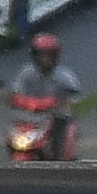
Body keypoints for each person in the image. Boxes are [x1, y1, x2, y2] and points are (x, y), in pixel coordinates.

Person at [10, 28, 82, 160]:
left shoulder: (65, 77)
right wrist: (14, 100)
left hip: (55, 119)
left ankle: (59, 160)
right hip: (30, 119)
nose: (45, 59)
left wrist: (63, 104)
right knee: (13, 133)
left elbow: (74, 98)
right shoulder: (26, 74)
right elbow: (15, 93)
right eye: (41, 54)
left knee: (62, 135)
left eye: (50, 55)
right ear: (34, 55)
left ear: (56, 56)